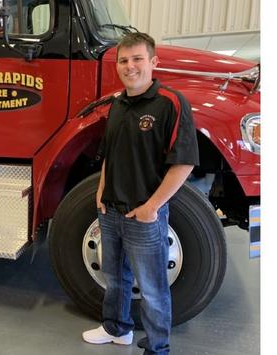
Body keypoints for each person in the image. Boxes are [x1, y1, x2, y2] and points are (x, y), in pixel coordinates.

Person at [82, 32, 199, 354]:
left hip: (144, 216)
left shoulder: (170, 103)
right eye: (123, 60)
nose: (129, 66)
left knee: (152, 289)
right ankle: (117, 328)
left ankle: (158, 348)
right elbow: (110, 154)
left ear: (153, 62)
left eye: (137, 59)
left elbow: (184, 163)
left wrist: (152, 207)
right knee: (114, 277)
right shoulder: (117, 104)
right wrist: (102, 191)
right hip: (110, 210)